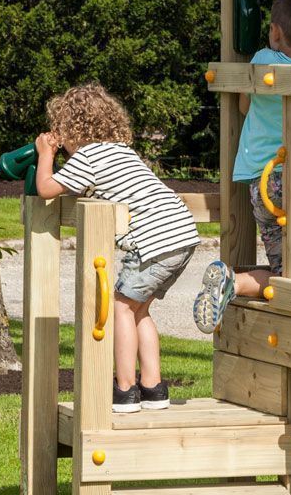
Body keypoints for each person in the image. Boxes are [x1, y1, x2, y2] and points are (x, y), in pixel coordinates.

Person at [35, 84, 201, 413]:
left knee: (120, 309)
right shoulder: (121, 151)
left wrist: (46, 154)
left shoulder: (87, 156)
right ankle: (154, 388)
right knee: (139, 311)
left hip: (153, 239)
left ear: (70, 128)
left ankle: (125, 390)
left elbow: (45, 189)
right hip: (182, 233)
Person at [193, 0, 291, 334]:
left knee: (285, 265)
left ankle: (231, 281)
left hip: (264, 179)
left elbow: (245, 106)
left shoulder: (264, 59)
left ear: (276, 32)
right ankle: (234, 282)